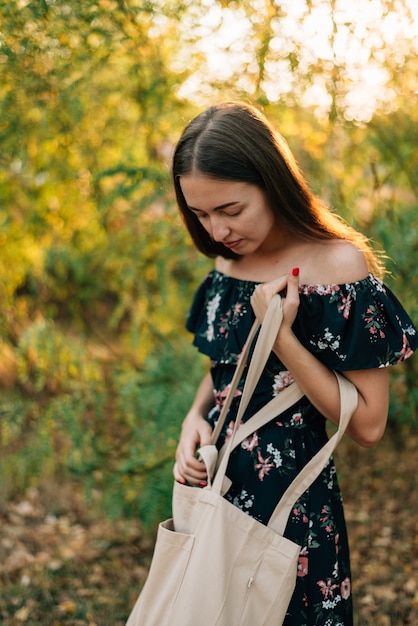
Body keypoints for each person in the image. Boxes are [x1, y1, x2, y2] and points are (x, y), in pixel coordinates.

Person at [171, 101, 417, 625]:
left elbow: (369, 424)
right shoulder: (227, 261)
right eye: (200, 214)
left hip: (292, 506)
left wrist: (280, 335)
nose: (216, 232)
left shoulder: (339, 266)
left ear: (272, 181)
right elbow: (223, 367)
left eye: (230, 210)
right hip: (215, 489)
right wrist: (195, 420)